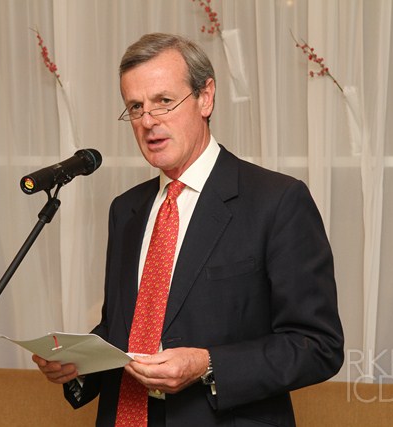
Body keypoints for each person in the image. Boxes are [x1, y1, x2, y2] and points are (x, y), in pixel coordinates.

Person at [33, 33, 344, 427]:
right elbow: (124, 328)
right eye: (136, 107)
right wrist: (79, 365)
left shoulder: (277, 201)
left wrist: (207, 364)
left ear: (205, 97)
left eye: (164, 101)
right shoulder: (126, 210)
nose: (148, 121)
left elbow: (318, 345)